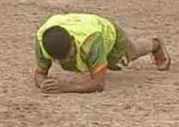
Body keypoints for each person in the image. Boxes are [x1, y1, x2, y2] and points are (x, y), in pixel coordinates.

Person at [34, 13, 170, 94]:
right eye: (59, 59)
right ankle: (96, 63)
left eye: (69, 55)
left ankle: (155, 44)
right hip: (80, 24)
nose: (66, 61)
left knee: (129, 54)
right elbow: (40, 74)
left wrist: (66, 87)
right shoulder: (43, 40)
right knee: (92, 63)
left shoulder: (91, 40)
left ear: (72, 40)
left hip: (108, 34)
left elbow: (98, 84)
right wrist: (44, 84)